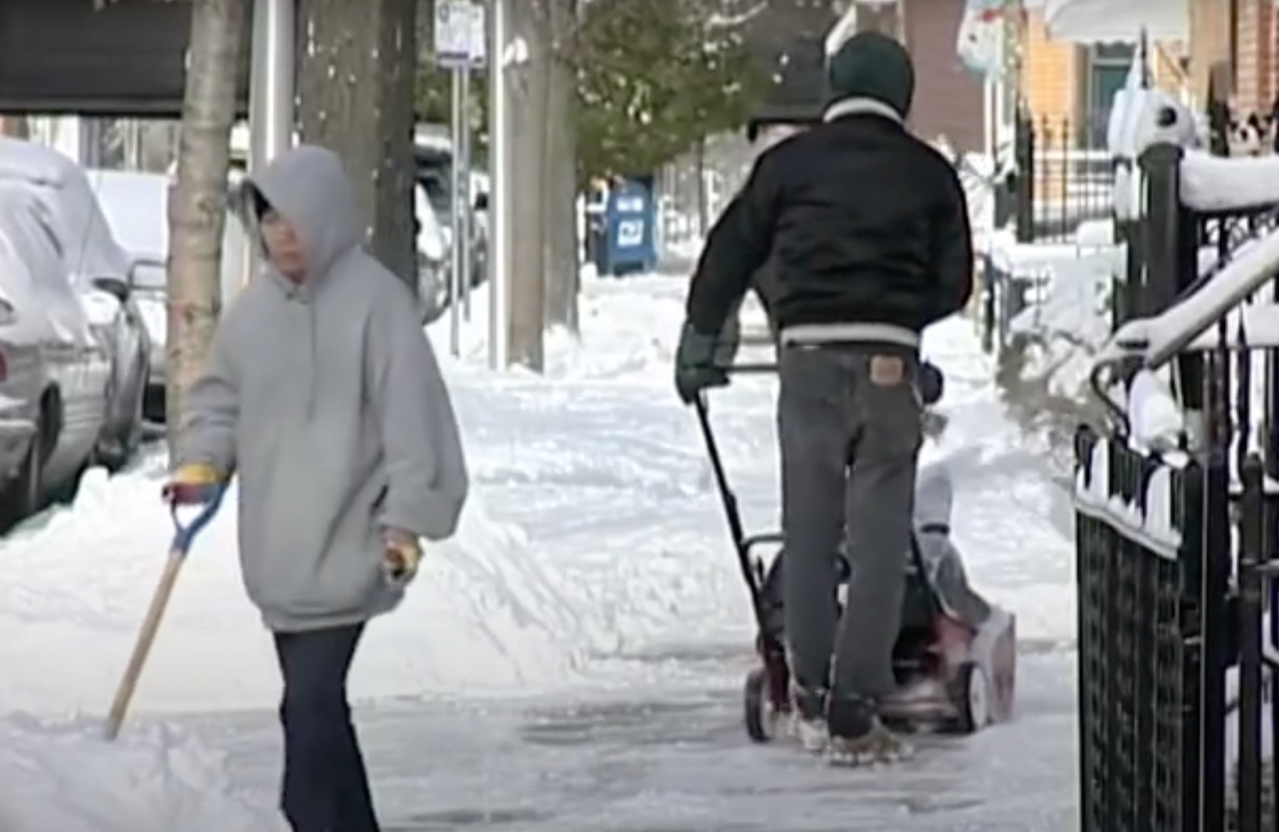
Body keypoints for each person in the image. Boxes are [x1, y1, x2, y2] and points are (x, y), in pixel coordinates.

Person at [674, 31, 973, 765]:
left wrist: (700, 340)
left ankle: (805, 693)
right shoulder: (928, 173)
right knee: (876, 544)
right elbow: (954, 282)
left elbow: (729, 253)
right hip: (886, 364)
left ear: (833, 91)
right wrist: (900, 315)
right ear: (900, 94)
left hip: (804, 360)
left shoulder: (785, 166)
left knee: (807, 534)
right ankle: (853, 708)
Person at [164, 145, 469, 831]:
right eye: (268, 224)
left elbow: (413, 422)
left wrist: (406, 522)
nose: (280, 238)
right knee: (317, 707)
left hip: (351, 546)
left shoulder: (376, 305)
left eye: (292, 223)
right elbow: (219, 403)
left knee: (308, 706)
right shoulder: (251, 315)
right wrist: (203, 462)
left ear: (325, 220)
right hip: (279, 557)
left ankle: (307, 816)